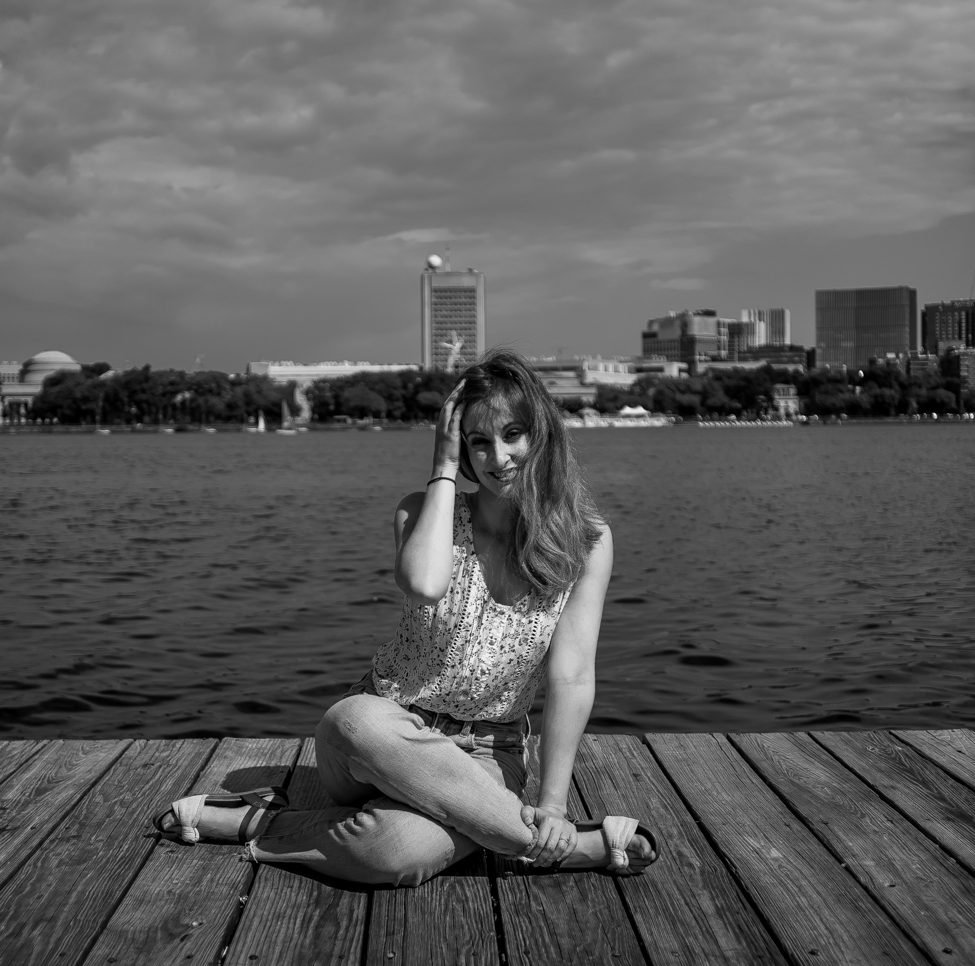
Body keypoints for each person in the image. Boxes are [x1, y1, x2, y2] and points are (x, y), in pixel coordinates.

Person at [153, 348, 657, 886]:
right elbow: (425, 584)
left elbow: (572, 677)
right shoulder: (421, 512)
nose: (498, 457)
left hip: (488, 754)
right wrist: (442, 469)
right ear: (459, 447)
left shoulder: (586, 541)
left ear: (542, 434)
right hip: (379, 737)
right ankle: (559, 848)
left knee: (396, 851)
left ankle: (260, 820)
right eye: (478, 441)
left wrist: (552, 803)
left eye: (513, 435)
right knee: (355, 718)